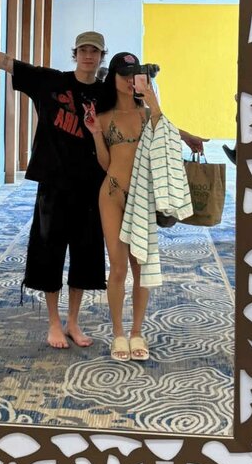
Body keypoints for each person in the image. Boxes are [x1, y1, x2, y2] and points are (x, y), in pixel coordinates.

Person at [0, 30, 109, 349]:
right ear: (75, 53)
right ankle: (54, 323)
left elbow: (138, 119)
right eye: (83, 50)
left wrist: (184, 136)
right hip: (53, 185)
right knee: (49, 252)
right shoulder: (50, 81)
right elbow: (6, 62)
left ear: (102, 56)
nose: (89, 56)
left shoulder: (106, 94)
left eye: (95, 51)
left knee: (85, 256)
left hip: (91, 186)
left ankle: (74, 322)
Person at [84, 52, 206, 362]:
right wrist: (96, 133)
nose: (129, 81)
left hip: (142, 196)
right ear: (113, 77)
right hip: (112, 194)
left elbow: (166, 138)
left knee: (142, 267)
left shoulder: (147, 114)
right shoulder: (104, 117)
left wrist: (155, 104)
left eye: (135, 76)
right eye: (124, 75)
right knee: (118, 267)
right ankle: (118, 333)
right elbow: (105, 163)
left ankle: (137, 331)